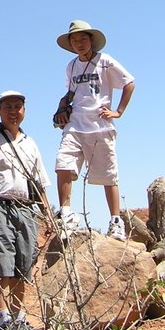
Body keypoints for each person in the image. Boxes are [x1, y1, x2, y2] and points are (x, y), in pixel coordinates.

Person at [0, 90, 50, 330]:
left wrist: (47, 213)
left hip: (26, 208)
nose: (13, 111)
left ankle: (18, 317)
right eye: (7, 106)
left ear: (24, 111)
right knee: (2, 262)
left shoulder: (31, 143)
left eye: (18, 106)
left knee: (23, 265)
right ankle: (3, 316)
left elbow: (39, 183)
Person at [52, 20, 135, 239]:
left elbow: (129, 82)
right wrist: (61, 108)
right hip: (75, 124)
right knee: (63, 164)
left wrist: (118, 111)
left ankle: (115, 220)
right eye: (75, 40)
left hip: (100, 124)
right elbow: (71, 93)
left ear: (91, 40)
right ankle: (67, 214)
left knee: (108, 174)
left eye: (83, 39)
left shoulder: (105, 61)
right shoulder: (71, 66)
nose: (79, 43)